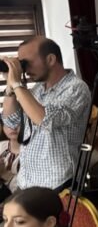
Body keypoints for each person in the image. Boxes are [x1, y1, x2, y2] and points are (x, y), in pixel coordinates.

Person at [2, 36, 91, 191]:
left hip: (57, 183)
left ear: (50, 59)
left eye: (26, 62)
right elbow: (11, 122)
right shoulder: (36, 91)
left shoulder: (76, 88)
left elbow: (45, 119)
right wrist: (10, 88)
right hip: (27, 181)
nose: (24, 69)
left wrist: (17, 84)